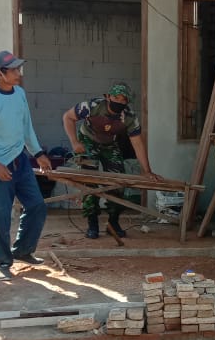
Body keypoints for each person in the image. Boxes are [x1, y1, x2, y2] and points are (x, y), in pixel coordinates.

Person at [0, 50, 53, 281]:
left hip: (20, 160)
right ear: (0, 73)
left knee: (36, 206)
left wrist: (38, 153)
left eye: (18, 68)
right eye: (14, 69)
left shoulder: (20, 94)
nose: (19, 73)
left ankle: (23, 250)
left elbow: (26, 127)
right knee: (1, 216)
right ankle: (3, 262)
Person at [61, 83, 161, 239]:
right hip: (88, 141)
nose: (119, 102)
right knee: (89, 180)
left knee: (118, 181)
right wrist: (74, 142)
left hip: (109, 144)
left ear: (127, 102)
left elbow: (138, 144)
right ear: (108, 97)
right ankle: (92, 223)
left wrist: (147, 171)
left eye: (123, 99)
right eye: (116, 98)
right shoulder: (92, 106)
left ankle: (113, 223)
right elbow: (68, 117)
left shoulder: (129, 117)